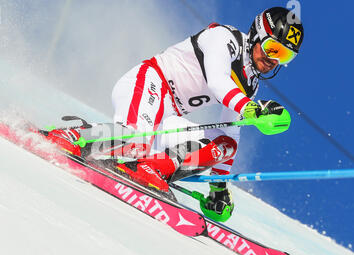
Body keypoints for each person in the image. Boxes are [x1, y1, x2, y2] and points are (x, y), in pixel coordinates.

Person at [44, 7, 304, 221]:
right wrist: (250, 108)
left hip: (167, 116)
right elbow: (217, 80)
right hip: (149, 84)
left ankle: (153, 169)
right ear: (257, 35)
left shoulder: (250, 82)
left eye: (284, 56)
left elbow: (231, 133)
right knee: (134, 141)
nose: (274, 60)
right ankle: (71, 135)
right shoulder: (225, 39)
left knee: (224, 145)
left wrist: (219, 188)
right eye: (273, 49)